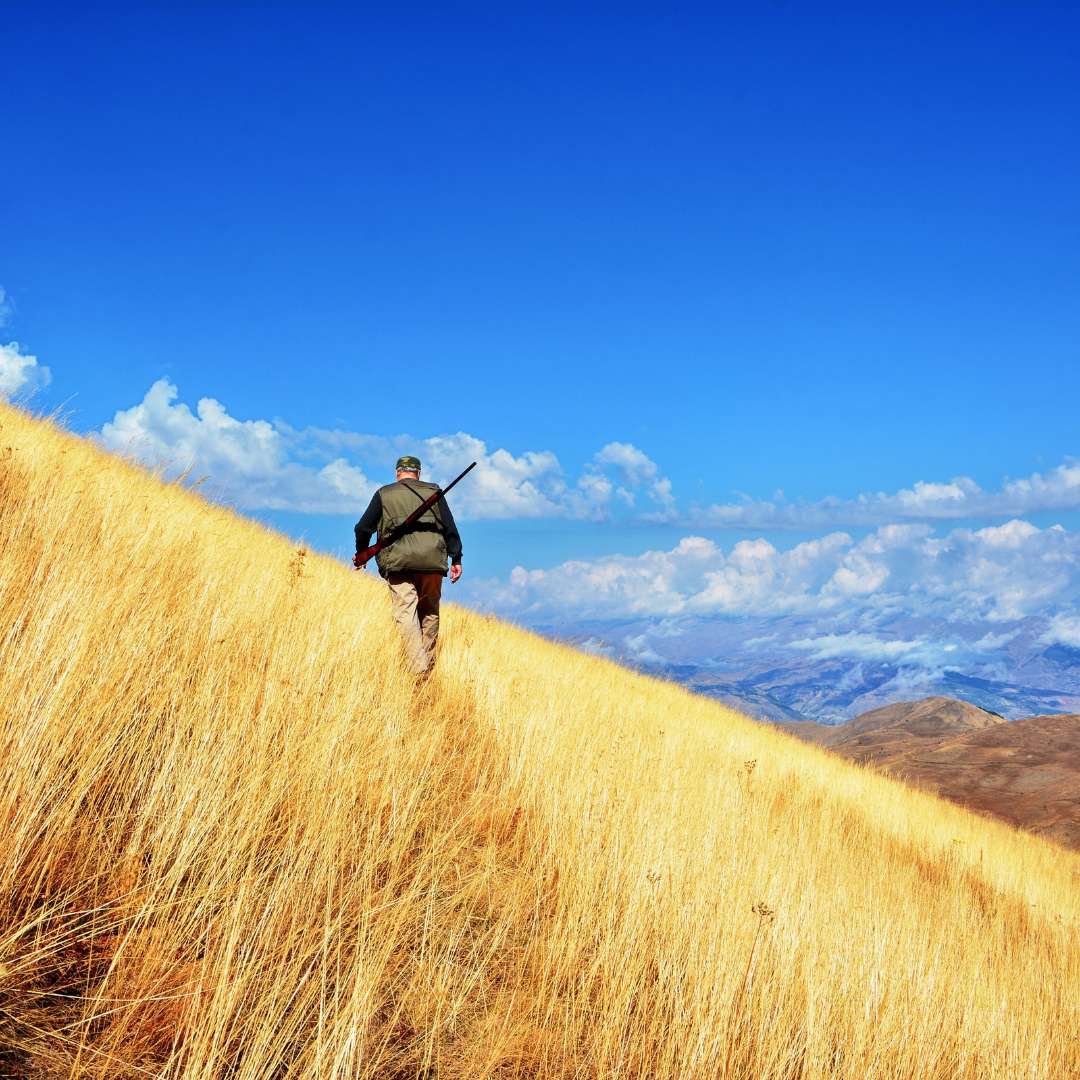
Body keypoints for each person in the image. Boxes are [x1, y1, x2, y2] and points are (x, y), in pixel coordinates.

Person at [353, 455, 463, 675]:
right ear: (418, 473)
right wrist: (456, 558)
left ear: (397, 473)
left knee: (406, 613)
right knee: (430, 612)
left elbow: (363, 528)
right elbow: (450, 528)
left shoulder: (384, 493)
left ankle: (417, 668)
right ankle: (426, 671)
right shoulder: (435, 492)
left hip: (398, 562)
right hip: (432, 561)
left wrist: (362, 552)